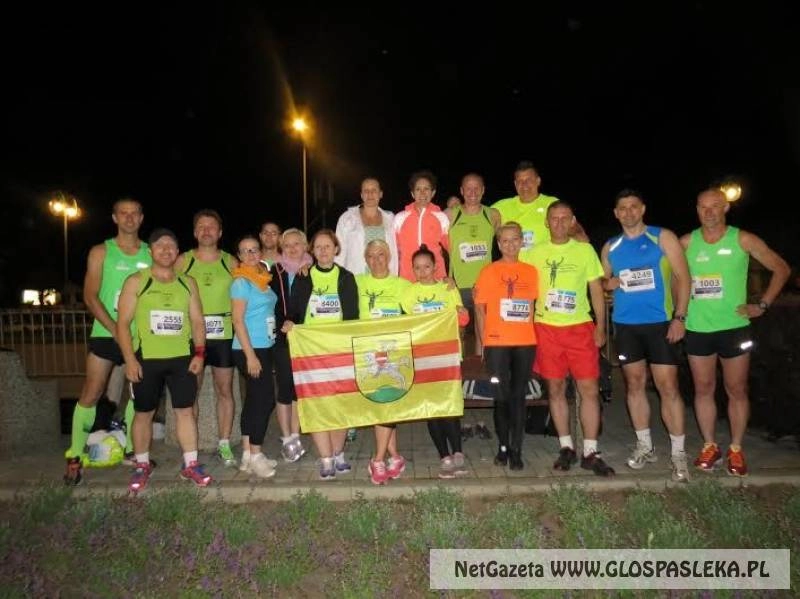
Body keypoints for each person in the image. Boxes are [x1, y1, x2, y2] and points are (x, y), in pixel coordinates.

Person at [680, 188, 790, 477]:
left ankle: (736, 448)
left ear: (726, 208)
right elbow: (667, 273)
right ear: (697, 209)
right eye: (703, 207)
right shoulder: (686, 242)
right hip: (698, 327)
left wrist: (762, 305)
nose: (709, 212)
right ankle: (709, 446)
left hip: (734, 327)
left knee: (736, 389)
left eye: (715, 206)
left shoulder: (743, 239)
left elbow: (781, 268)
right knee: (703, 388)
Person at [600, 190, 691, 482]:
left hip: (660, 323)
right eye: (622, 208)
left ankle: (678, 453)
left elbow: (683, 277)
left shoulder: (662, 237)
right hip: (626, 325)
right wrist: (608, 284)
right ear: (616, 213)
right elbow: (603, 284)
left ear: (642, 209)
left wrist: (680, 317)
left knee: (668, 387)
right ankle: (645, 446)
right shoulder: (610, 247)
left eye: (633, 207)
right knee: (634, 385)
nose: (628, 212)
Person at [63, 198, 151, 486]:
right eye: (123, 213)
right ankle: (75, 456)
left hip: (140, 336)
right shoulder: (101, 251)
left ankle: (132, 450)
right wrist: (115, 329)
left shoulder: (151, 253)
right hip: (106, 333)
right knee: (91, 392)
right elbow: (90, 296)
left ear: (141, 218)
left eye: (134, 213)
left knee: (139, 395)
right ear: (114, 218)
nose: (129, 218)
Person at [116, 228, 211, 493]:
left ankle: (190, 464)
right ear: (150, 251)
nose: (166, 250)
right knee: (143, 413)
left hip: (182, 359)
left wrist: (199, 354)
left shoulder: (187, 282)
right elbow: (122, 324)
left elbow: (197, 321)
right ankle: (141, 464)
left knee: (185, 411)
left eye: (171, 246)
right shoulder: (136, 281)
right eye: (160, 246)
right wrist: (129, 360)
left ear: (177, 252)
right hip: (147, 359)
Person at [529, 201, 615, 476]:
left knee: (589, 389)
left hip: (579, 328)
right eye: (554, 218)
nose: (559, 223)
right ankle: (566, 447)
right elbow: (526, 292)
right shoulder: (533, 253)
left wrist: (600, 327)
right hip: (546, 328)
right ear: (547, 222)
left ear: (572, 221)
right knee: (555, 389)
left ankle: (590, 451)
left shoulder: (584, 250)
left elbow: (596, 290)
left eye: (564, 218)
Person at [283, 229, 359, 480]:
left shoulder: (346, 277)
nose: (324, 251)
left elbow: (352, 317)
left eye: (328, 246)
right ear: (312, 251)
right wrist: (290, 323)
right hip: (311, 353)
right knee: (316, 405)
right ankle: (325, 458)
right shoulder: (304, 277)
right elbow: (294, 312)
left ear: (336, 249)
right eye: (318, 247)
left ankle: (338, 453)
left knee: (340, 404)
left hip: (338, 352)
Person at [175, 209, 238, 468]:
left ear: (220, 232)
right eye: (201, 226)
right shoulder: (183, 260)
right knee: (191, 393)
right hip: (192, 335)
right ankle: (191, 449)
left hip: (223, 334)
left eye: (211, 226)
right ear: (194, 232)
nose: (206, 231)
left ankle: (224, 443)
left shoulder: (230, 261)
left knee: (225, 391)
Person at [400, 245, 470, 479]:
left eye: (427, 267)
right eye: (417, 268)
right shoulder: (408, 294)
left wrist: (462, 314)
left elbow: (462, 320)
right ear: (412, 270)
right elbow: (406, 325)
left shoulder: (448, 288)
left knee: (450, 405)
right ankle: (444, 456)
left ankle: (458, 452)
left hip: (448, 356)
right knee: (432, 407)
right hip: (422, 357)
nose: (422, 272)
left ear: (435, 267)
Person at [474, 222, 539, 470]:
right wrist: (483, 343)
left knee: (518, 397)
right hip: (497, 343)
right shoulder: (488, 272)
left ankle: (516, 449)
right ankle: (503, 447)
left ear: (522, 241)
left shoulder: (531, 271)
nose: (510, 244)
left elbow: (532, 307)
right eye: (505, 240)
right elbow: (480, 310)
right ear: (499, 245)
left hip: (524, 342)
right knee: (501, 398)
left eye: (515, 239)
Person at [355, 239, 411, 484]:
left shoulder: (402, 285)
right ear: (365, 260)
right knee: (383, 405)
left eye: (381, 255)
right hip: (367, 354)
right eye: (371, 256)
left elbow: (421, 304)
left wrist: (447, 286)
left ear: (388, 257)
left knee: (385, 404)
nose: (376, 260)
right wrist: (305, 267)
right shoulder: (357, 282)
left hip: (393, 353)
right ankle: (395, 457)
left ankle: (378, 459)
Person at [230, 234, 280, 479]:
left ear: (260, 253)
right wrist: (250, 356)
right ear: (239, 256)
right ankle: (257, 455)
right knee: (264, 400)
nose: (250, 254)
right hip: (249, 348)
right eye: (245, 251)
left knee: (253, 400)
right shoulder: (241, 282)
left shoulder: (263, 279)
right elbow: (237, 320)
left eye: (253, 250)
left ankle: (247, 455)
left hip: (265, 345)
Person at [269, 228, 312, 462]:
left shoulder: (312, 270)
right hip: (282, 337)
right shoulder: (275, 271)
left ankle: (296, 435)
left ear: (305, 246)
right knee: (285, 387)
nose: (293, 248)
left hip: (304, 338)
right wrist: (281, 323)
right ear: (281, 249)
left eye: (297, 244)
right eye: (287, 245)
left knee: (298, 389)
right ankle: (286, 438)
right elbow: (270, 303)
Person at [492, 161, 587, 265]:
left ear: (538, 181)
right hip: (515, 270)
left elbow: (578, 234)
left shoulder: (552, 204)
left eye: (529, 180)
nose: (524, 185)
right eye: (520, 181)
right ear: (515, 184)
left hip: (547, 267)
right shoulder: (501, 207)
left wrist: (584, 254)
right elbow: (480, 219)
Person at [447, 172, 501, 354]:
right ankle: (458, 368)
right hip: (457, 285)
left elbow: (503, 243)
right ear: (461, 191)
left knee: (482, 331)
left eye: (476, 188)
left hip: (484, 284)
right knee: (458, 332)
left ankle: (481, 365)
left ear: (483, 190)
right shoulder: (450, 215)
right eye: (468, 188)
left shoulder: (493, 215)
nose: (472, 192)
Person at [394, 170, 450, 282]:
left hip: (435, 277)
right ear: (412, 193)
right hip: (407, 278)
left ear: (433, 193)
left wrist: (450, 276)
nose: (422, 193)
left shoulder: (441, 217)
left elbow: (451, 248)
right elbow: (393, 250)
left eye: (426, 189)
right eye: (418, 189)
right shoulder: (400, 218)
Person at [335, 177, 399, 275]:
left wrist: (394, 275)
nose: (370, 194)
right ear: (361, 195)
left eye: (374, 190)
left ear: (380, 194)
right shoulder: (347, 218)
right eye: (366, 191)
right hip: (355, 276)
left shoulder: (391, 219)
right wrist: (338, 277)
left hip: (384, 277)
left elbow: (395, 252)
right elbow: (339, 251)